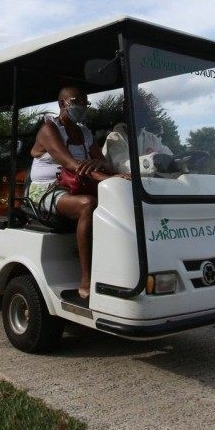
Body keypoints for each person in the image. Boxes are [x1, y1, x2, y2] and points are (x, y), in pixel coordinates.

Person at [29, 86, 128, 300]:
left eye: (85, 103)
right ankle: (86, 280)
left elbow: (103, 162)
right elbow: (71, 164)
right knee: (88, 204)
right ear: (62, 104)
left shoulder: (84, 132)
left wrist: (98, 162)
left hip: (75, 186)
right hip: (46, 190)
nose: (82, 107)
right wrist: (111, 179)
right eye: (77, 101)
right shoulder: (49, 128)